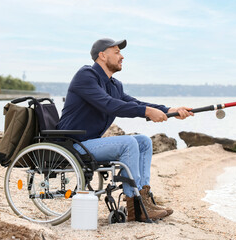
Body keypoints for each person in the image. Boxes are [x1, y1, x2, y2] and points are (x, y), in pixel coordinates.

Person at [57, 38, 193, 221]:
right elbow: (109, 105)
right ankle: (135, 205)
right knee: (128, 143)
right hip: (73, 144)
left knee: (143, 141)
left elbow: (134, 103)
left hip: (90, 143)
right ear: (102, 55)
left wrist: (168, 110)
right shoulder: (86, 76)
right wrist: (147, 112)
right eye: (116, 52)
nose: (122, 56)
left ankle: (144, 199)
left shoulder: (114, 85)